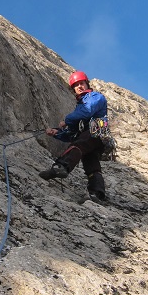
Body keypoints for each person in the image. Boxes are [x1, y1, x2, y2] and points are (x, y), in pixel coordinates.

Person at [39, 70, 108, 202]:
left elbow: (87, 112)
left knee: (78, 145)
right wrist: (57, 133)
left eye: (81, 83)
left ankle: (61, 166)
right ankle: (96, 193)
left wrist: (67, 120)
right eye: (76, 86)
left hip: (95, 130)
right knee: (91, 163)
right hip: (95, 137)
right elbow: (73, 133)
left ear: (87, 84)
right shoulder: (80, 106)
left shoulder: (95, 97)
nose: (79, 87)